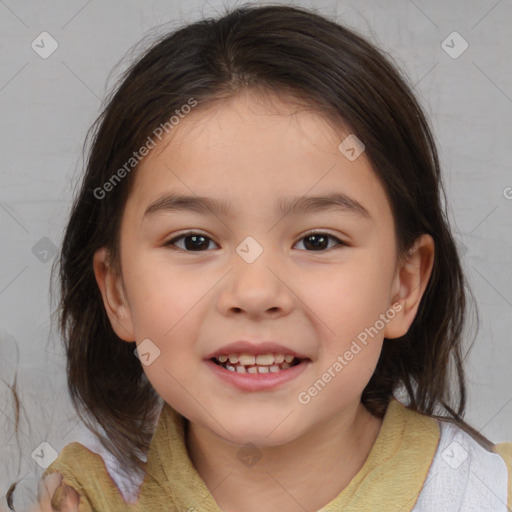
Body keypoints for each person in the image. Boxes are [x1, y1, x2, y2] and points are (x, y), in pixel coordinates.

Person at [8, 3, 511, 511]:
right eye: (194, 241)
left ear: (403, 286)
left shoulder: (489, 493)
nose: (255, 293)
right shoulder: (84, 498)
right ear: (117, 292)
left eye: (317, 241)